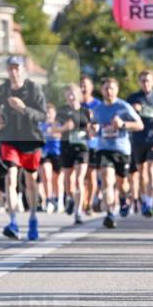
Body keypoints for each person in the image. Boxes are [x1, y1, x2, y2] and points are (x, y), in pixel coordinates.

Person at [0, 56, 46, 241]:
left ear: (23, 70)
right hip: (9, 139)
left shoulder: (33, 89)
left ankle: (32, 217)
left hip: (30, 140)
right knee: (10, 178)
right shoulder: (3, 89)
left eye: (17, 68)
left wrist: (24, 108)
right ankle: (13, 222)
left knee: (30, 181)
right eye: (11, 68)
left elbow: (43, 116)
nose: (14, 71)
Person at [90, 77, 142, 229]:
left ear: (117, 90)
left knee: (122, 184)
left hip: (121, 149)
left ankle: (123, 198)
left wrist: (123, 124)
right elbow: (92, 129)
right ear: (102, 90)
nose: (109, 91)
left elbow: (139, 125)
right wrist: (93, 129)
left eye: (111, 88)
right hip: (103, 149)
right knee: (107, 179)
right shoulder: (98, 109)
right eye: (106, 88)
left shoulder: (124, 106)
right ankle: (110, 214)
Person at [56, 83, 91, 224]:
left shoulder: (85, 111)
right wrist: (64, 128)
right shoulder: (62, 111)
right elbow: (53, 129)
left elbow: (91, 129)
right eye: (68, 94)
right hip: (66, 147)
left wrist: (92, 130)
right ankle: (70, 198)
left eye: (73, 93)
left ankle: (78, 211)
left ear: (78, 94)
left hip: (82, 148)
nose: (71, 97)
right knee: (68, 180)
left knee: (79, 179)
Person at [127, 69, 153, 218]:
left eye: (148, 80)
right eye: (143, 80)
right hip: (137, 140)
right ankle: (145, 200)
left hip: (152, 139)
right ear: (139, 82)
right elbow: (124, 117)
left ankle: (150, 202)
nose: (145, 83)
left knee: (151, 170)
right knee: (141, 173)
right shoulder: (133, 98)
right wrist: (133, 110)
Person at [80, 75, 102, 215]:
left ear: (91, 88)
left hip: (93, 145)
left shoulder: (98, 105)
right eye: (81, 86)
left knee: (91, 176)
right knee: (80, 177)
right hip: (78, 145)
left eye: (85, 86)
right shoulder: (75, 104)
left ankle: (89, 203)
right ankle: (81, 202)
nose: (83, 88)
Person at [39, 102, 62, 213]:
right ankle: (49, 200)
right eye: (46, 112)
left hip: (57, 152)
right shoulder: (40, 125)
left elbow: (61, 135)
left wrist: (53, 132)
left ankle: (58, 200)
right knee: (46, 176)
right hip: (45, 153)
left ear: (54, 113)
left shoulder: (58, 124)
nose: (48, 115)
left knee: (56, 179)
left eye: (50, 112)